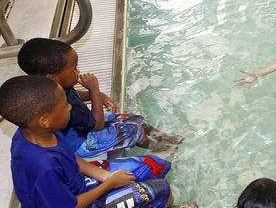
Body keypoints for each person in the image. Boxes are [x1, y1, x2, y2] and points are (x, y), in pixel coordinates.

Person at [0, 76, 172, 208]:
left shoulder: (39, 133)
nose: (69, 106)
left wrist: (104, 175)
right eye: (64, 105)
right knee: (162, 189)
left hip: (77, 186)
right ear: (44, 120)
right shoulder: (42, 166)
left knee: (155, 165)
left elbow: (69, 157)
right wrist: (109, 184)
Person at [17, 38, 183, 157]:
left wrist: (94, 95)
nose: (78, 72)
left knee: (134, 118)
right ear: (52, 77)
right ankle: (156, 147)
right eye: (73, 70)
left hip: (87, 125)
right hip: (84, 142)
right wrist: (95, 90)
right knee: (133, 130)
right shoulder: (56, 105)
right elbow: (97, 125)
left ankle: (164, 137)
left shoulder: (55, 88)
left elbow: (75, 96)